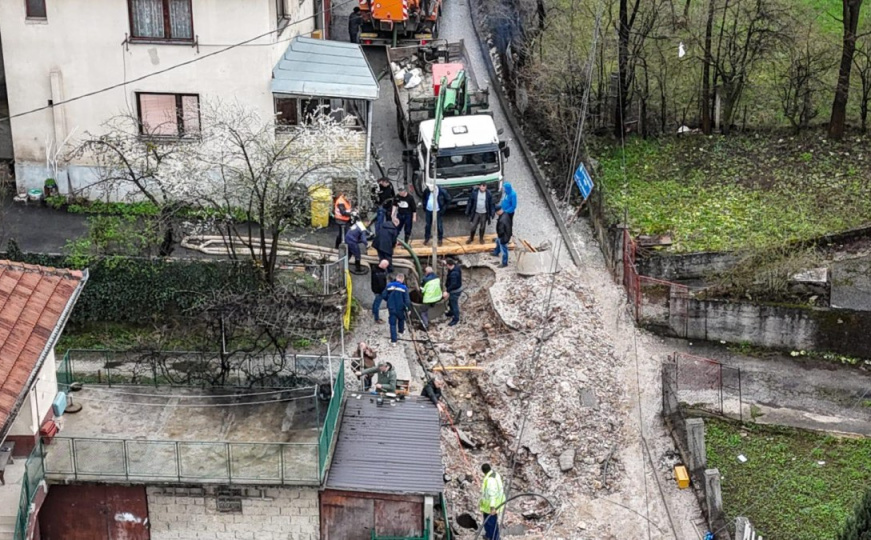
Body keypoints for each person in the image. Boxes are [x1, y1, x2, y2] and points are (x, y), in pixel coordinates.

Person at [373, 273, 411, 345]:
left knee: (392, 323)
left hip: (391, 307)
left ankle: (394, 341)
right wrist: (408, 309)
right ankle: (401, 332)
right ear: (402, 280)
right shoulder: (404, 288)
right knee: (401, 319)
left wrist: (389, 300)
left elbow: (383, 295)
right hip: (400, 308)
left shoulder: (389, 285)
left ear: (396, 278)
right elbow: (407, 301)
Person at [479, 463, 506, 540]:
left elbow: (492, 494)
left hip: (491, 505)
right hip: (492, 503)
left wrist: (492, 507)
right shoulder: (495, 474)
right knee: (489, 522)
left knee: (491, 523)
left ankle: (493, 538)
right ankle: (489, 536)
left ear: (483, 471)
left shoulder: (490, 480)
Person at [443, 258, 462, 326]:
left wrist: (447, 291)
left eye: (446, 265)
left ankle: (456, 319)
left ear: (449, 265)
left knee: (454, 305)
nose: (446, 266)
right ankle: (451, 312)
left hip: (455, 291)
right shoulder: (456, 267)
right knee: (450, 302)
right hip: (454, 290)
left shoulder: (454, 274)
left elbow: (453, 284)